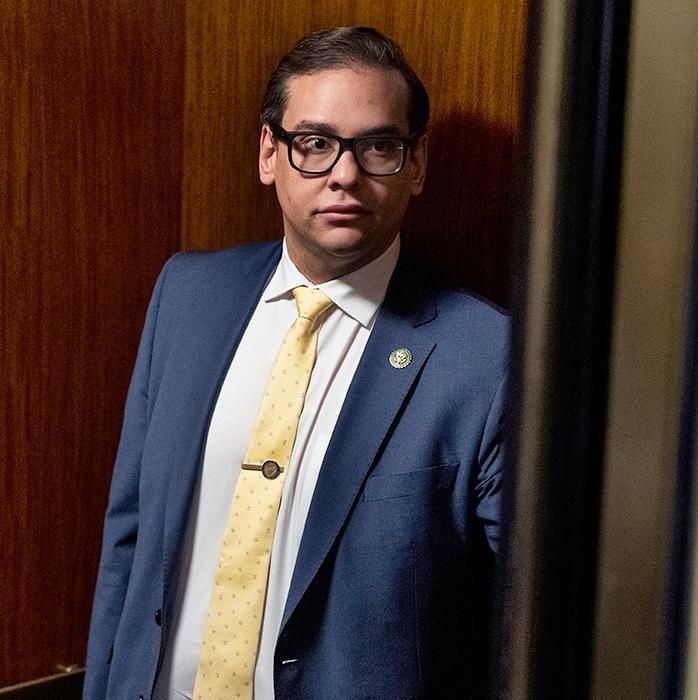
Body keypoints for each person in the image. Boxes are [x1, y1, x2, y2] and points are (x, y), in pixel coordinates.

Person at [84, 26, 508, 699]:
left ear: (416, 164)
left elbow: (529, 617)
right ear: (268, 154)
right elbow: (128, 542)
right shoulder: (187, 296)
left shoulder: (483, 358)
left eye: (377, 146)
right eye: (314, 143)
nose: (344, 173)